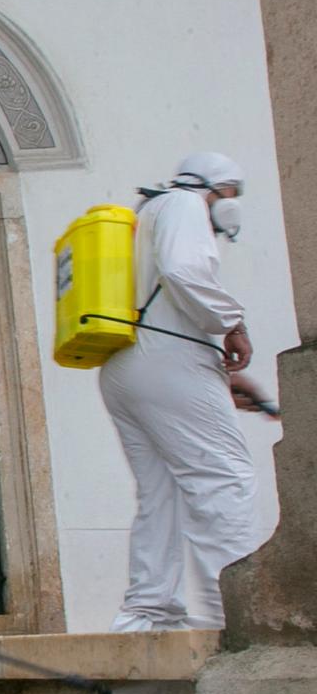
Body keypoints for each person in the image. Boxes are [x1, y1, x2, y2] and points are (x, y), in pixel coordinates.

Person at [99, 152, 270, 632]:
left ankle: (147, 615)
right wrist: (232, 322)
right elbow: (182, 271)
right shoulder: (184, 204)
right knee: (225, 478)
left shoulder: (147, 210)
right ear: (213, 188)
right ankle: (240, 614)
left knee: (164, 492)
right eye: (231, 194)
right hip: (166, 358)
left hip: (125, 365)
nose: (231, 205)